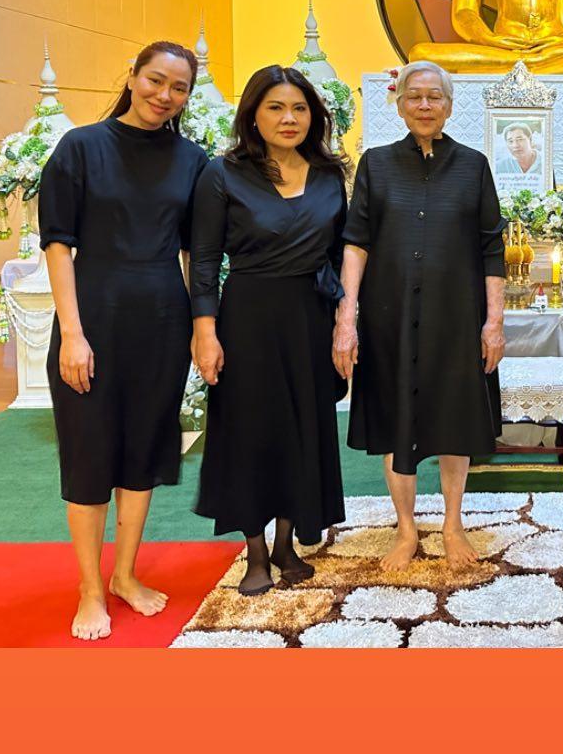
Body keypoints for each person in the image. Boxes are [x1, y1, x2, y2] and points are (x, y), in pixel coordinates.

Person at [37, 39, 205, 641]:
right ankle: (90, 588)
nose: (165, 95)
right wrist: (72, 334)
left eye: (179, 88)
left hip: (162, 323)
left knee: (142, 454)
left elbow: (194, 253)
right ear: (132, 77)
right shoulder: (81, 147)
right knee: (89, 455)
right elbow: (58, 243)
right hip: (92, 320)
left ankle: (125, 574)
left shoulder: (193, 160)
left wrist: (200, 328)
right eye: (156, 80)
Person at [333, 62, 506, 573]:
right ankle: (406, 528)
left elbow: (491, 247)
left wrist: (494, 321)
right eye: (415, 96)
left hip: (458, 317)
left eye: (435, 97)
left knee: (455, 420)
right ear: (400, 104)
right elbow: (356, 242)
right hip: (389, 316)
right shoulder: (376, 163)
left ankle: (452, 523)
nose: (425, 105)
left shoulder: (473, 165)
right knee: (395, 421)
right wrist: (347, 317)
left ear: (449, 106)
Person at [190, 65, 349, 596]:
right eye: (276, 108)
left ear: (314, 116)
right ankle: (255, 552)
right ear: (253, 115)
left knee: (303, 427)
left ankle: (286, 543)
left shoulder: (328, 174)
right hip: (248, 317)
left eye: (300, 108)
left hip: (311, 316)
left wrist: (345, 321)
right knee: (251, 432)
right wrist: (205, 331)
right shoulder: (222, 174)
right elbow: (204, 260)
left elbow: (340, 254)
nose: (289, 118)